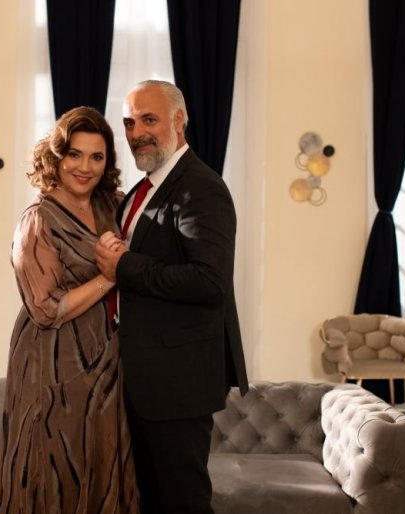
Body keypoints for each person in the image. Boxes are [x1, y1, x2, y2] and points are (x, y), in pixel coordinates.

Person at [95, 80, 249, 514]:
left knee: (183, 503)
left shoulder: (200, 187)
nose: (137, 132)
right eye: (129, 122)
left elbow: (209, 281)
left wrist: (124, 266)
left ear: (179, 121)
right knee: (151, 500)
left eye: (149, 119)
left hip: (178, 383)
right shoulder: (142, 191)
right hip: (142, 380)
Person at [0, 106, 139, 514]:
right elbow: (45, 310)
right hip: (52, 362)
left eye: (97, 157)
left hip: (108, 357)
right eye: (75, 155)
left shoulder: (115, 204)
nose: (85, 167)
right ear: (56, 156)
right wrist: (109, 276)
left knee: (105, 461)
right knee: (55, 468)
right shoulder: (37, 221)